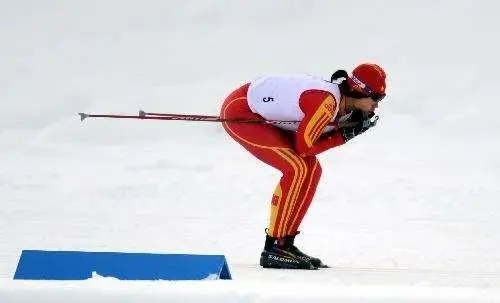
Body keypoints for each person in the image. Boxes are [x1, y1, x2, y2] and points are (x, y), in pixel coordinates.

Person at [219, 63, 387, 270]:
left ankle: (286, 244)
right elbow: (305, 147)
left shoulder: (340, 105)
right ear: (360, 92)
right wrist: (343, 136)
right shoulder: (326, 103)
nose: (377, 105)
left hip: (256, 105)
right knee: (296, 167)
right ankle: (274, 248)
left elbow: (311, 140)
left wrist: (347, 127)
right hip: (241, 110)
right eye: (377, 98)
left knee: (312, 169)